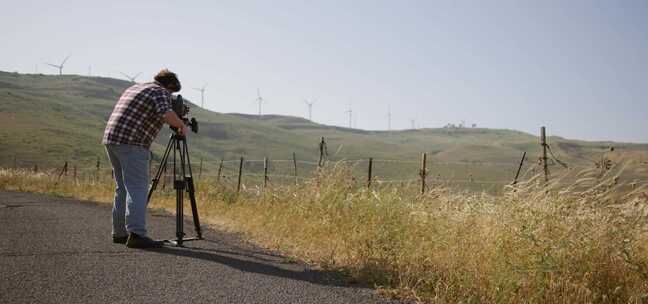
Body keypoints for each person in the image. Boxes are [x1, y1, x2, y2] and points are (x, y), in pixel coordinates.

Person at [102, 69, 188, 248]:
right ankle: (137, 234)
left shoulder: (136, 88)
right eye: (172, 92)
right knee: (138, 187)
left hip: (112, 140)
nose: (170, 96)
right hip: (133, 143)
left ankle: (119, 233)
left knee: (123, 187)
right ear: (170, 86)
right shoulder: (160, 92)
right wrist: (181, 125)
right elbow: (166, 114)